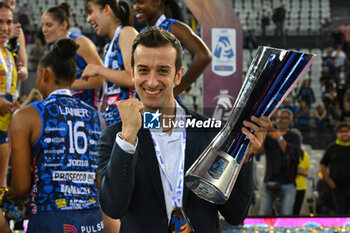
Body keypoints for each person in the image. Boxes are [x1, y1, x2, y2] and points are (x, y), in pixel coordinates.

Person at [97, 26, 270, 232]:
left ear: (178, 75)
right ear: (132, 74)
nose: (152, 81)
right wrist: (127, 138)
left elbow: (235, 214)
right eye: (143, 70)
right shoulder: (116, 136)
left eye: (163, 70)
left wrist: (245, 157)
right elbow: (113, 207)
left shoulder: (210, 133)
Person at [4, 38, 104, 232]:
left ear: (44, 74)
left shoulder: (27, 116)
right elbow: (100, 182)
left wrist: (4, 194)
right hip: (92, 221)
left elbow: (21, 187)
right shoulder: (96, 117)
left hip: (51, 220)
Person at [132, 0, 212, 97]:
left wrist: (177, 90)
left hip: (165, 105)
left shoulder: (174, 27)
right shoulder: (142, 32)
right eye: (134, 3)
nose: (135, 7)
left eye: (140, 2)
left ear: (157, 1)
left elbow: (204, 55)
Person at [83, 0, 138, 126]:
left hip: (129, 123)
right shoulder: (109, 46)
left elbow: (134, 78)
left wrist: (98, 70)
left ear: (107, 10)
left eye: (90, 12)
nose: (88, 19)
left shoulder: (127, 32)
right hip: (112, 121)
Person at [42, 2, 104, 109]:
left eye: (49, 25)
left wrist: (68, 84)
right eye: (42, 25)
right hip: (66, 109)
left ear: (63, 25)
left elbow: (102, 78)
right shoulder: (53, 49)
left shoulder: (80, 42)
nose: (44, 30)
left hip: (88, 109)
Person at [256, 108, 301, 216]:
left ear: (290, 121)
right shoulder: (269, 136)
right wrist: (261, 135)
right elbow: (258, 152)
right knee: (263, 215)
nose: (280, 120)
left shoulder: (294, 136)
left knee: (286, 217)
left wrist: (279, 138)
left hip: (288, 182)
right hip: (269, 179)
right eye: (278, 117)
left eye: (284, 118)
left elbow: (292, 154)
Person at [0, 2, 18, 188]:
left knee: (2, 184)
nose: (5, 27)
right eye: (0, 22)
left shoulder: (9, 55)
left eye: (9, 22)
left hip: (4, 128)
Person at [320, 122, 350, 214]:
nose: (344, 133)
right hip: (337, 187)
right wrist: (328, 180)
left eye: (346, 131)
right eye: (341, 131)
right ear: (337, 133)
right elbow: (323, 164)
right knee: (340, 212)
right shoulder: (332, 148)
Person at [0, 0, 28, 82]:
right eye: (5, 1)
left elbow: (24, 72)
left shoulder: (18, 32)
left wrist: (19, 70)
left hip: (9, 91)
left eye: (12, 3)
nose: (9, 6)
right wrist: (7, 37)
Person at [290, 129, 310, 215]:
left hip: (300, 187)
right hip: (288, 185)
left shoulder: (303, 154)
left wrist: (295, 170)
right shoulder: (286, 151)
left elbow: (306, 173)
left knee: (296, 212)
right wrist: (298, 170)